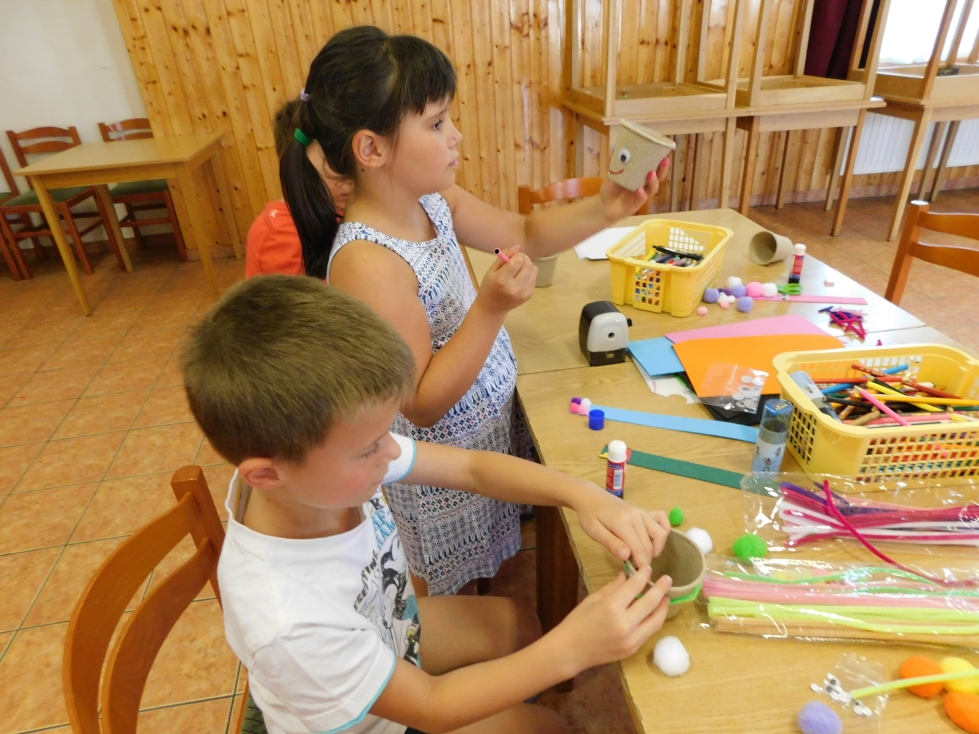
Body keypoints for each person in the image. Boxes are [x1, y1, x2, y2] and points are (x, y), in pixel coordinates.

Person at [181, 274, 673, 734]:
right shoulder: (288, 622)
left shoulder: (316, 471)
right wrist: (570, 651)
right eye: (370, 446)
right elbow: (432, 706)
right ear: (266, 475)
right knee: (549, 727)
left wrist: (582, 494)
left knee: (522, 626)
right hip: (382, 719)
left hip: (392, 629)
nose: (391, 452)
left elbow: (471, 468)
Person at [280, 26, 669, 595]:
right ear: (372, 149)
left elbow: (525, 230)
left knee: (499, 559)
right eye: (437, 123)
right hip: (444, 468)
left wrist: (606, 208)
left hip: (485, 434)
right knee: (459, 583)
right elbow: (422, 402)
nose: (456, 135)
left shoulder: (432, 200)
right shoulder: (368, 261)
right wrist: (490, 308)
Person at [245, 98, 352, 277]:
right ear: (295, 164)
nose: (350, 179)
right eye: (334, 164)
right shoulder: (279, 237)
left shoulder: (346, 206)